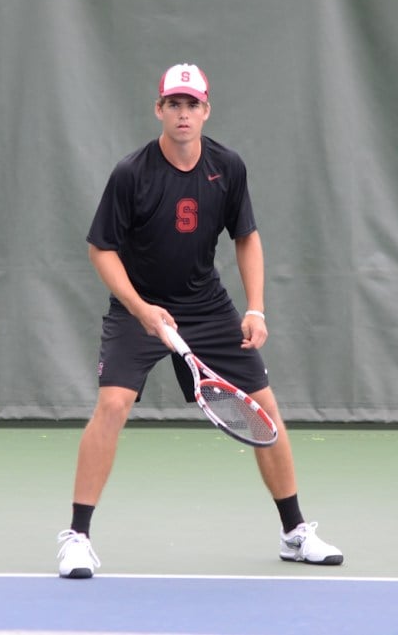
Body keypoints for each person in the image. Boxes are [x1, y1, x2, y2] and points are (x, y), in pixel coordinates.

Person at [57, 63, 343, 578]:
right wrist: (142, 310)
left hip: (206, 307)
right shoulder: (132, 173)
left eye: (192, 105)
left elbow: (247, 236)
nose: (183, 114)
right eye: (174, 104)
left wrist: (254, 307)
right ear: (159, 110)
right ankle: (77, 537)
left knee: (265, 410)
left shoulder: (227, 167)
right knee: (113, 405)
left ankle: (294, 532)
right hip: (137, 306)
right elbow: (101, 250)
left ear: (206, 110)